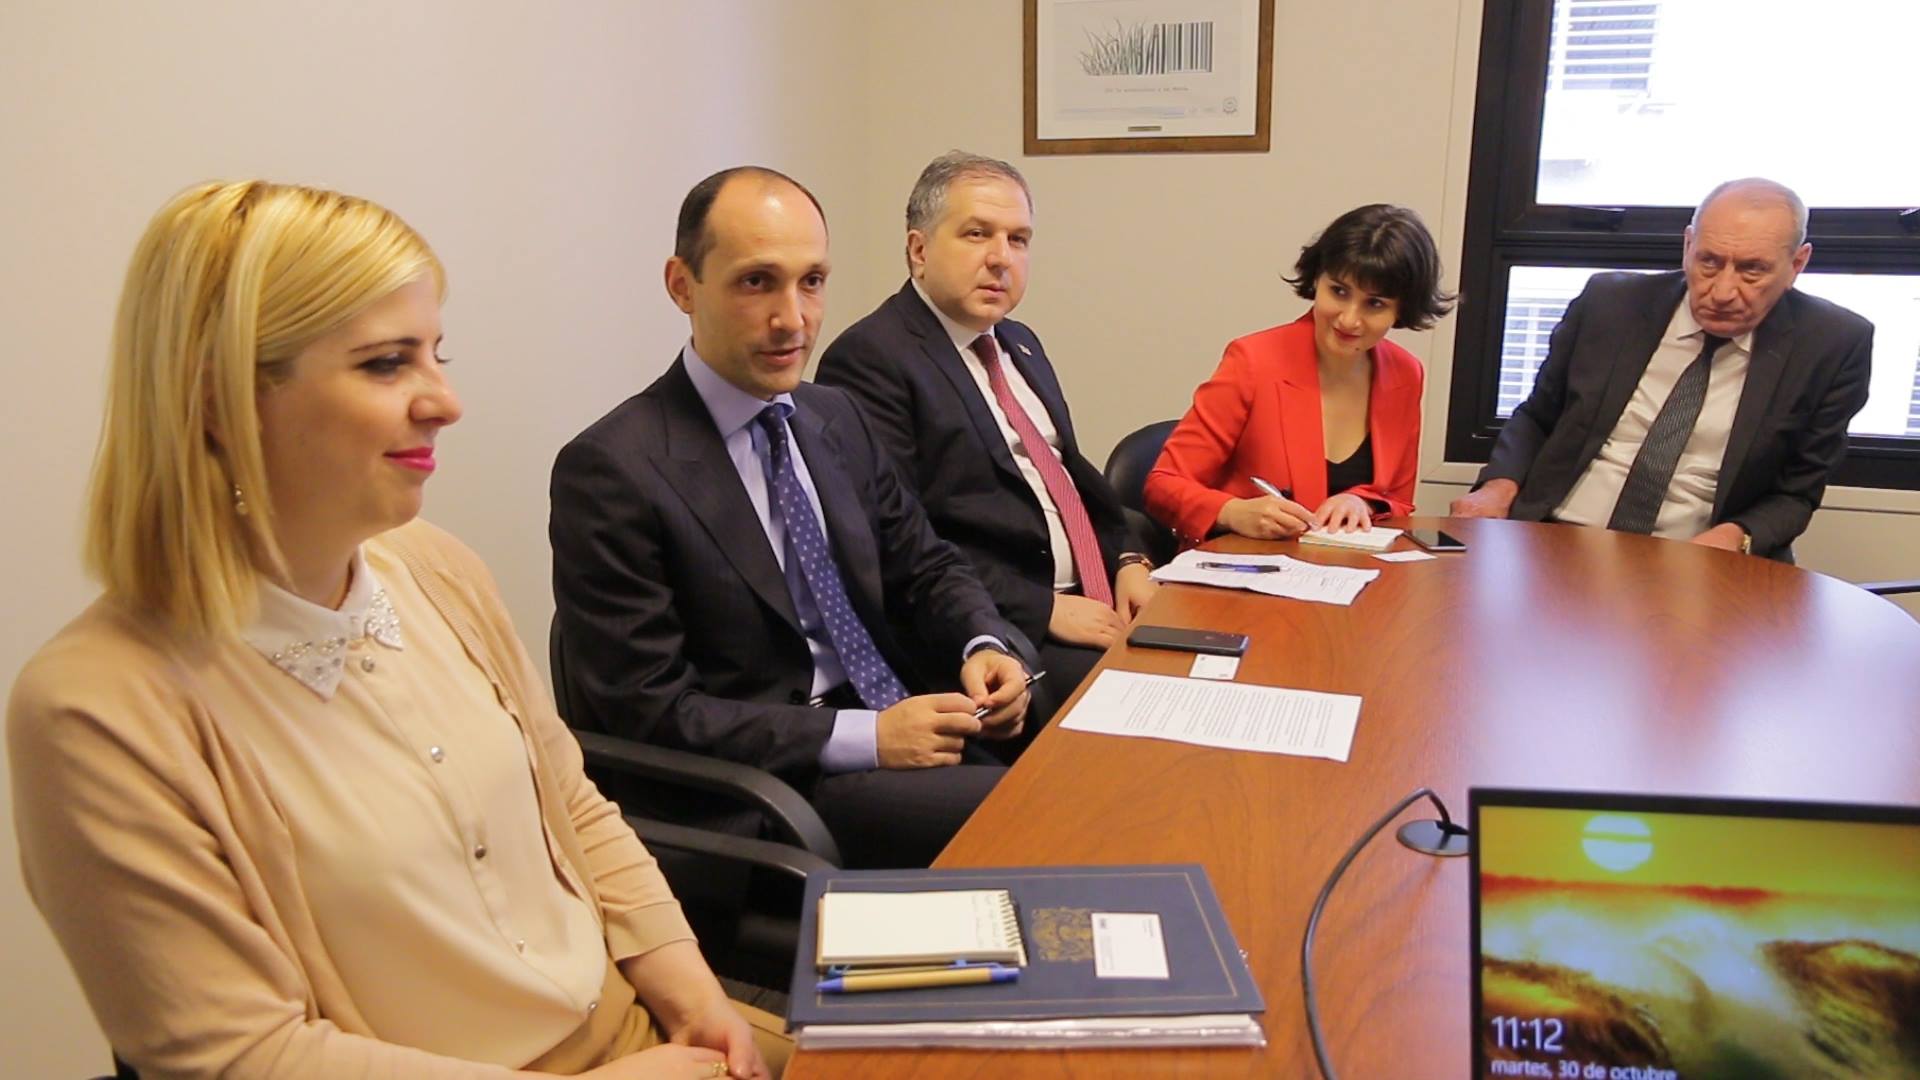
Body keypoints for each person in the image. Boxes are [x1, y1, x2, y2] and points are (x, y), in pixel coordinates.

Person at [6, 181, 785, 1079]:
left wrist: (692, 993)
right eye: (386, 364)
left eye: (435, 355)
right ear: (217, 402)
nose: (445, 402)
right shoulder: (95, 710)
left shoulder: (434, 567)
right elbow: (240, 1055)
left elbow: (570, 804)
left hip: (642, 1030)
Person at [549, 167, 1033, 870]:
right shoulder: (613, 470)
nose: (793, 319)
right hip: (769, 792)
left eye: (812, 282)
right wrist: (867, 738)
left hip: (899, 718)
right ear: (682, 285)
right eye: (757, 282)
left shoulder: (833, 416)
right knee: (1038, 822)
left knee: (1094, 774)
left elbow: (925, 564)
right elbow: (651, 711)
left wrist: (980, 642)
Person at [814, 151, 1153, 753]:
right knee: (1145, 713)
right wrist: (1043, 608)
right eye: (977, 234)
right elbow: (898, 539)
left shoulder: (1018, 342)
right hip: (1003, 627)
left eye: (1018, 239)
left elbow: (1069, 476)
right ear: (919, 250)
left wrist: (1128, 559)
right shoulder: (872, 358)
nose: (1001, 257)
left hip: (1096, 597)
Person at [1450, 178, 1872, 560]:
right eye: (1709, 262)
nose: (1723, 291)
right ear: (1688, 245)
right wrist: (1497, 487)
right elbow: (1538, 416)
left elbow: (1796, 494)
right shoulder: (1610, 304)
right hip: (1558, 537)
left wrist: (1732, 538)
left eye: (1752, 270)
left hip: (1697, 559)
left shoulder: (1832, 344)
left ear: (1797, 264)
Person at [1144, 204, 1453, 544]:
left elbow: (1398, 500)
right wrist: (1232, 512)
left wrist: (1362, 501)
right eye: (1339, 291)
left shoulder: (1406, 373)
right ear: (1317, 280)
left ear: (1402, 309)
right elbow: (1163, 484)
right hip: (1248, 563)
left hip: (1349, 567)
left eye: (1375, 303)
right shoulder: (1252, 361)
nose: (1349, 319)